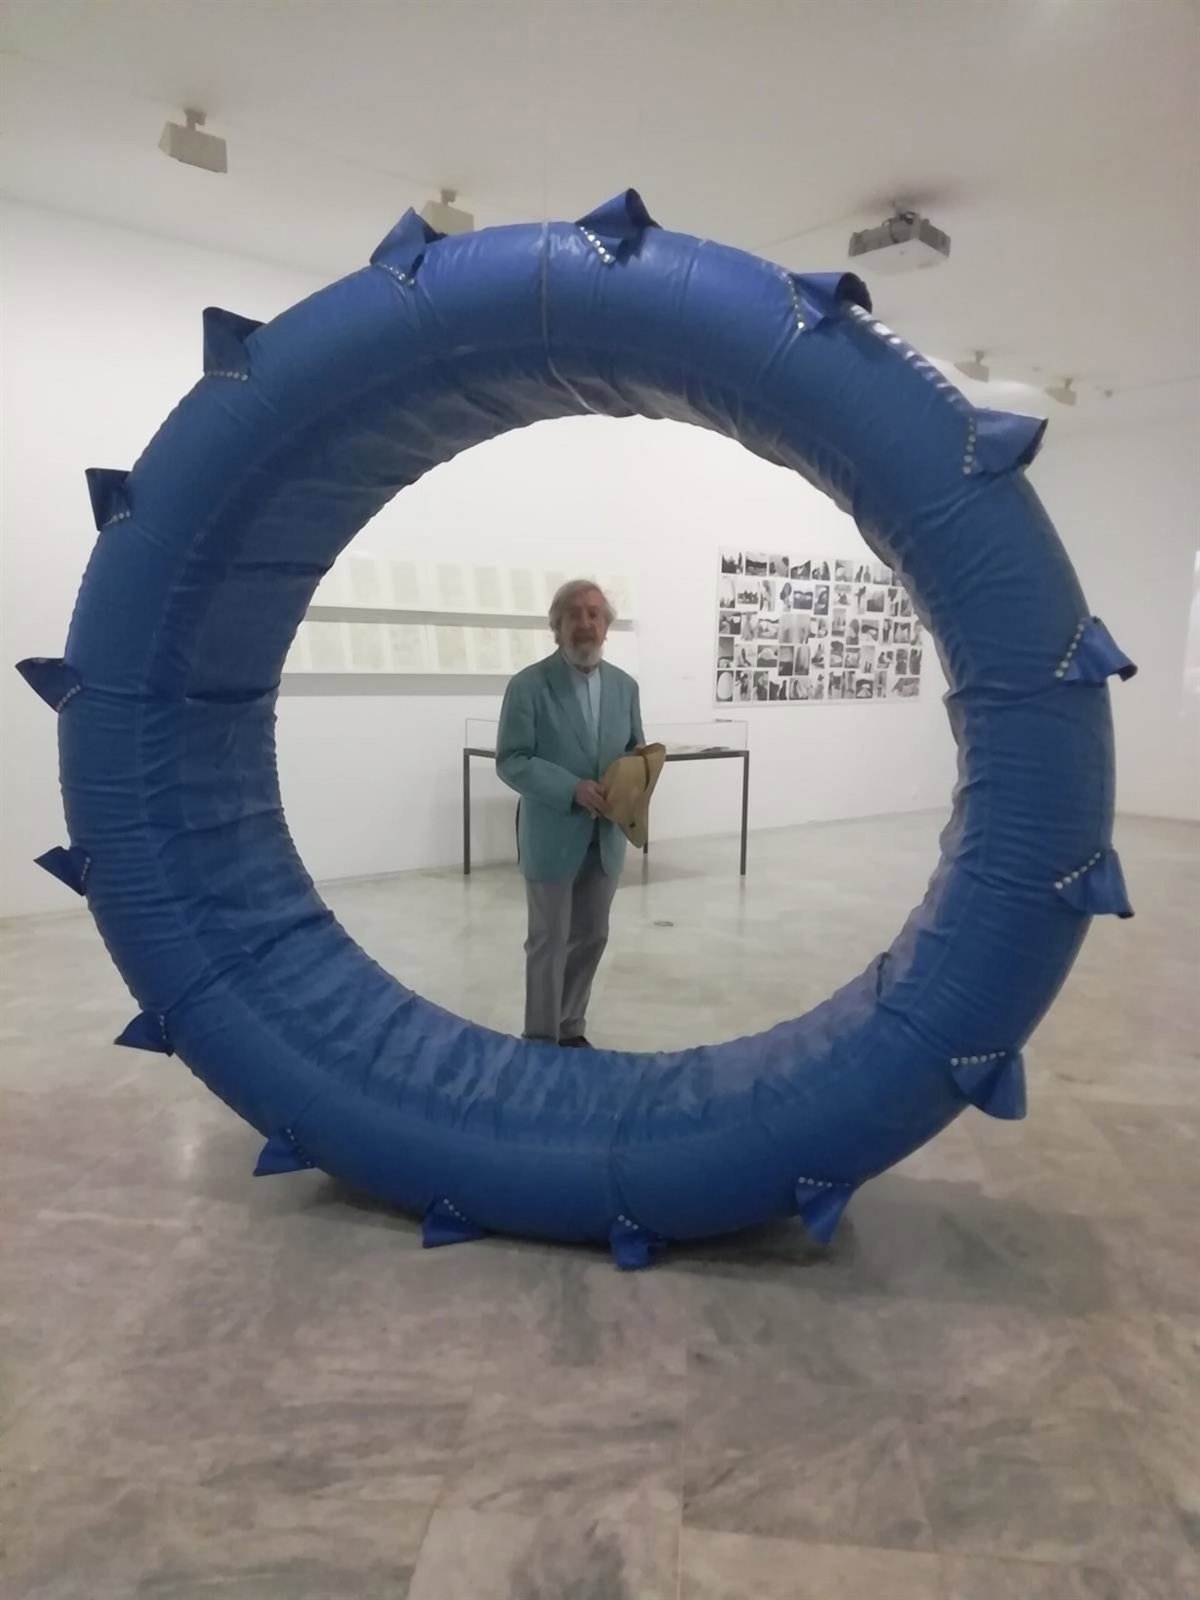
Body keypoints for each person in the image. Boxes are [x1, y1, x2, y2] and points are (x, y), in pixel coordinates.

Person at [496, 580, 644, 1048]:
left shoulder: (625, 687)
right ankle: (541, 1038)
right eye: (574, 614)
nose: (585, 623)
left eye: (595, 614)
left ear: (607, 626)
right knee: (548, 941)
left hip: (606, 839)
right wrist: (571, 789)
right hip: (552, 837)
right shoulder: (528, 686)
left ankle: (569, 1026)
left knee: (592, 936)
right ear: (556, 627)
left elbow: (634, 749)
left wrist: (632, 778)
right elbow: (512, 760)